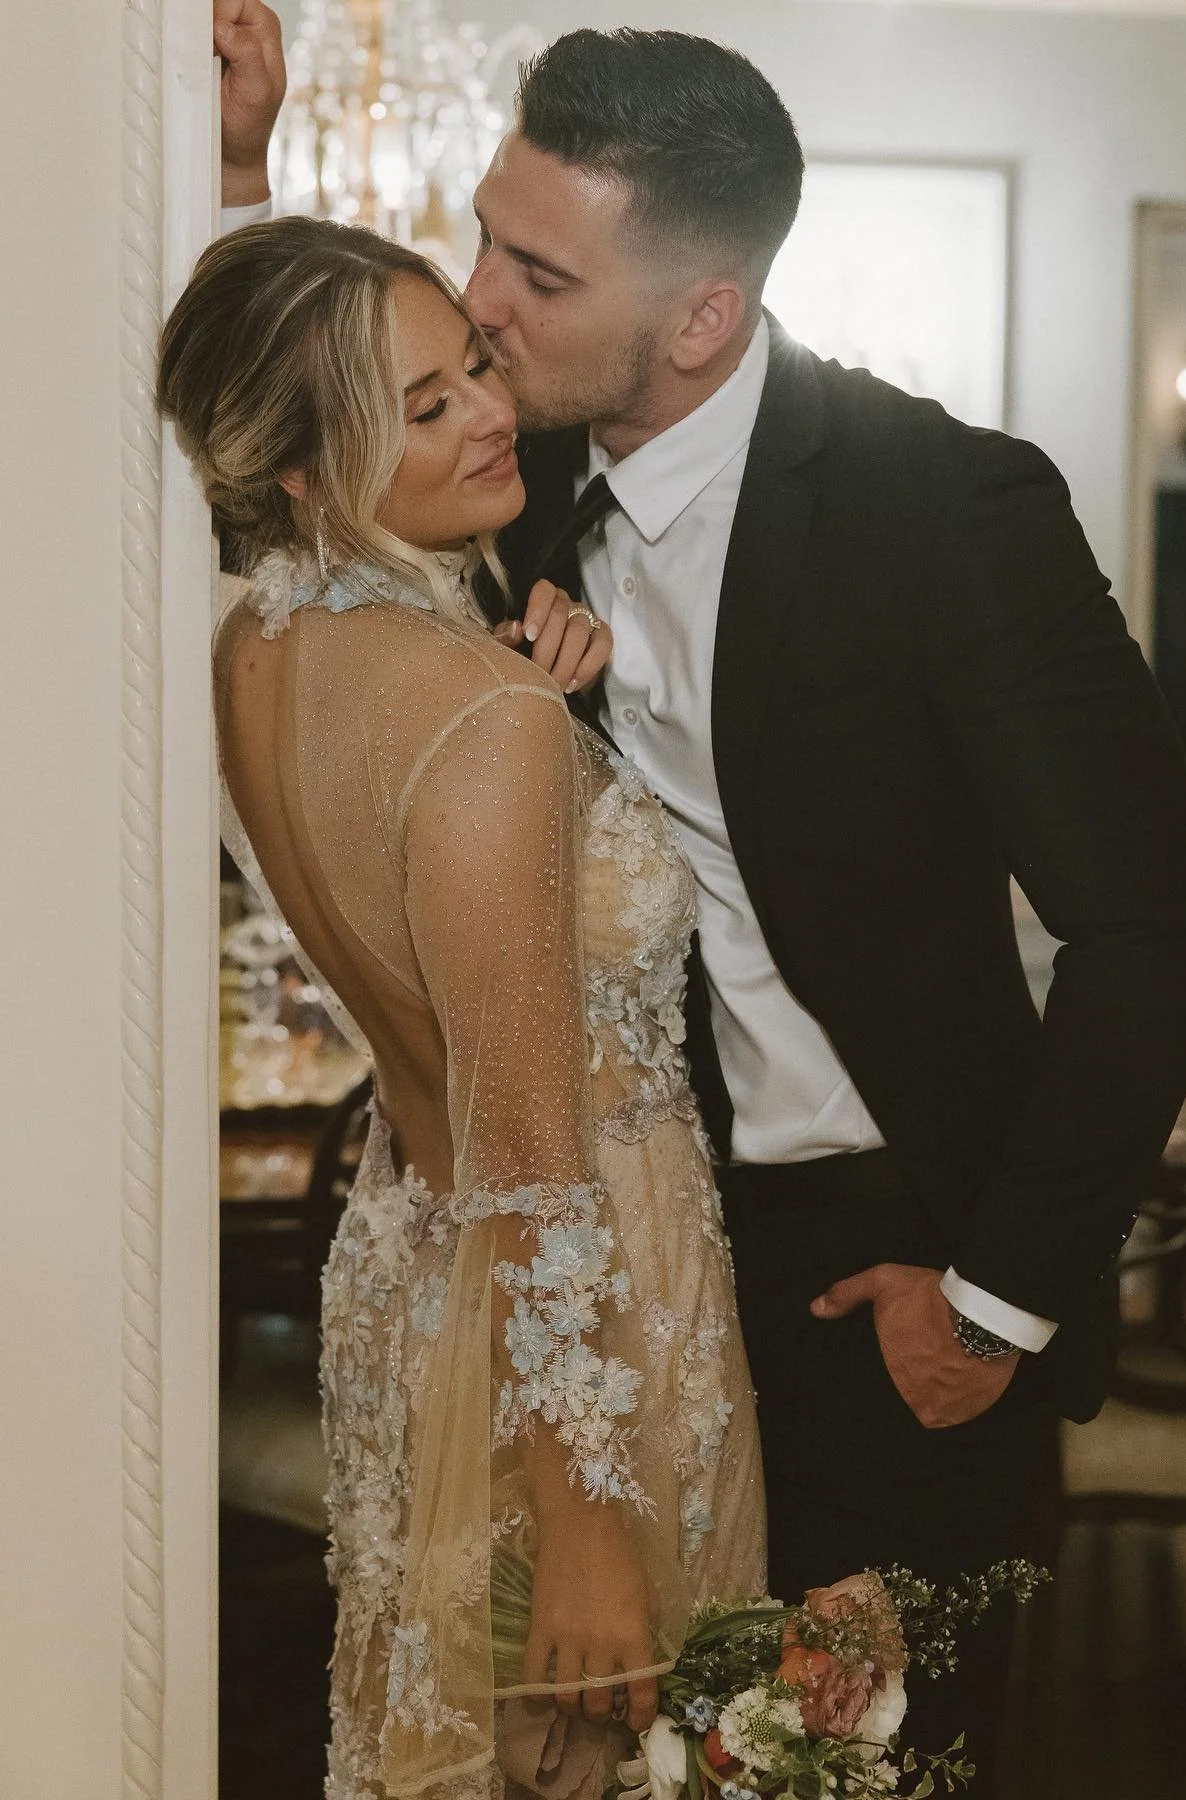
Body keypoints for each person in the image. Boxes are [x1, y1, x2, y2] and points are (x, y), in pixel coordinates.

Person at [215, 9, 1186, 1787]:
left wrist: (994, 1296)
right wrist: (235, 178)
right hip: (618, 1287)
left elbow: (1154, 924)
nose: (479, 306)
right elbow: (288, 457)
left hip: (886, 1283)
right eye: (482, 237)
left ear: (701, 315)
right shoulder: (490, 485)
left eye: (534, 270)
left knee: (827, 1772)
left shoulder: (948, 511)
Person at [159, 215, 765, 1800]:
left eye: (474, 364)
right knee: (601, 1751)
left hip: (408, 1273)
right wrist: (586, 1519)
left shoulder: (255, 649)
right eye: (425, 409)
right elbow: (531, 1157)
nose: (492, 410)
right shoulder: (478, 714)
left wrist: (235, 169)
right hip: (586, 1315)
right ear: (305, 466)